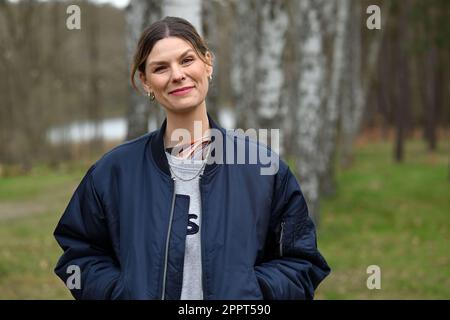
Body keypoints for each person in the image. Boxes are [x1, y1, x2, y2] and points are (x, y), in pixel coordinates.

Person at [54, 16, 330, 300]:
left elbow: (302, 262)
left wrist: (250, 293)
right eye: (160, 68)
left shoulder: (263, 170)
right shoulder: (114, 172)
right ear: (145, 81)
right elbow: (80, 253)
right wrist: (121, 293)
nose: (177, 75)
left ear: (207, 63)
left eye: (187, 60)